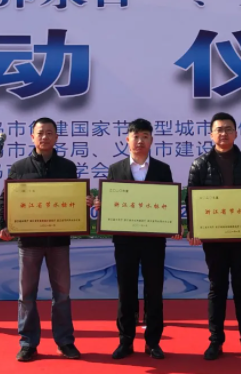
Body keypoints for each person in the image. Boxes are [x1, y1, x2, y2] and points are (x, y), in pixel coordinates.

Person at [0, 117, 94, 362]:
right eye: (40, 133)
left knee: (62, 294)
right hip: (29, 243)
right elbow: (3, 200)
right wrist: (0, 226)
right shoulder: (20, 167)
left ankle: (65, 341)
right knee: (26, 295)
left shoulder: (67, 167)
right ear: (32, 137)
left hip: (58, 242)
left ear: (56, 137)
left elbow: (73, 199)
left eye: (49, 132)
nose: (45, 137)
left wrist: (85, 202)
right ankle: (28, 342)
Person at [187, 112, 241, 362]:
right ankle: (216, 340)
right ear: (211, 134)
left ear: (236, 133)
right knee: (217, 288)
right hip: (214, 239)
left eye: (228, 129)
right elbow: (190, 199)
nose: (223, 133)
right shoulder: (199, 164)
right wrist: (193, 229)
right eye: (219, 129)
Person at [94, 118, 181, 360]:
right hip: (125, 242)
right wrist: (102, 205)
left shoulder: (162, 169)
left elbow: (169, 202)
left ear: (151, 140)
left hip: (154, 241)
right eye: (135, 136)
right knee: (126, 291)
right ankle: (126, 341)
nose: (140, 141)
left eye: (145, 136)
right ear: (127, 139)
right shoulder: (116, 169)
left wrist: (173, 223)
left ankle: (153, 342)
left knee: (154, 290)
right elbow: (110, 203)